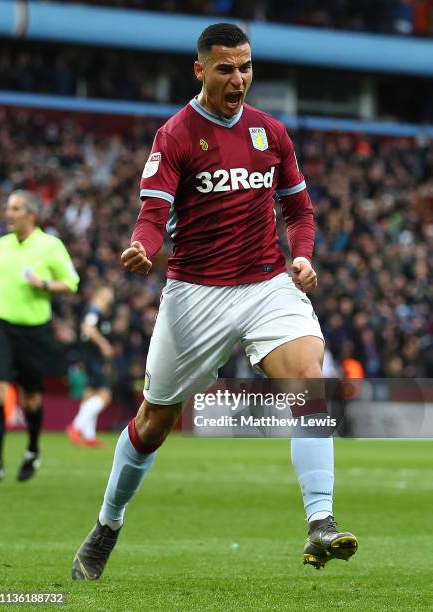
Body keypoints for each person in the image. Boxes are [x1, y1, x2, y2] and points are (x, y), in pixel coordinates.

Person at [71, 23, 357, 579]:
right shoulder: (175, 135)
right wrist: (141, 248)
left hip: (267, 284)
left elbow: (299, 210)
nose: (239, 78)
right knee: (153, 423)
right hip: (195, 293)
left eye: (246, 67)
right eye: (226, 68)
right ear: (199, 70)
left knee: (309, 381)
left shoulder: (269, 133)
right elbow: (153, 215)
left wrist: (301, 256)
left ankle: (320, 522)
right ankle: (108, 524)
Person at [0, 190, 79, 482]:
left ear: (31, 214)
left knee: (30, 401)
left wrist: (42, 284)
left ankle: (31, 449)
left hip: (34, 331)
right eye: (8, 208)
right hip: (1, 325)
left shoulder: (50, 246)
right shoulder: (1, 245)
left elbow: (71, 283)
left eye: (15, 208)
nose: (9, 213)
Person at [66, 285, 115, 447]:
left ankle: (89, 437)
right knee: (105, 396)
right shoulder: (94, 309)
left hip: (93, 358)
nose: (111, 295)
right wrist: (104, 344)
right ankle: (76, 426)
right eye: (108, 292)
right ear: (100, 294)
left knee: (89, 395)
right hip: (92, 358)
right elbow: (87, 329)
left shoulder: (102, 313)